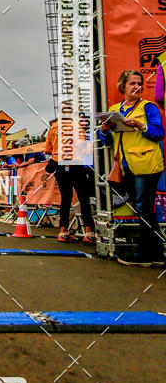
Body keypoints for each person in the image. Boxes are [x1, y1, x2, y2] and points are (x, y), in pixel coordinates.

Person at [99, 69, 165, 266]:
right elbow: (108, 140)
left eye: (139, 83)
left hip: (147, 164)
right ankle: (157, 252)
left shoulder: (148, 107)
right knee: (144, 210)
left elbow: (159, 133)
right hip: (126, 165)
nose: (137, 87)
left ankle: (146, 254)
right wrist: (104, 130)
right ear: (122, 86)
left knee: (143, 208)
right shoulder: (114, 109)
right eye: (132, 83)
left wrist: (140, 125)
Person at [45, 110, 95, 244]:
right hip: (75, 163)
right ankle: (89, 232)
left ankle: (63, 231)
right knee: (83, 198)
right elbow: (82, 146)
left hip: (60, 164)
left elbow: (48, 150)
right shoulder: (76, 126)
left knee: (65, 199)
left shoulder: (53, 127)